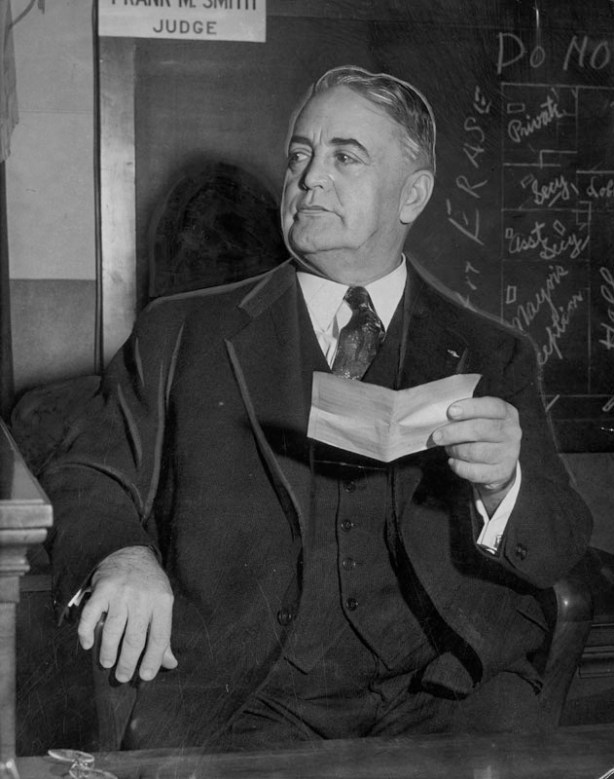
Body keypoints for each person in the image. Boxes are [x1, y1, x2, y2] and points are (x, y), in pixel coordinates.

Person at [41, 65, 592, 751]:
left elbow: (562, 537)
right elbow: (84, 473)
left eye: (345, 157)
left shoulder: (492, 351)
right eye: (299, 155)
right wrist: (121, 554)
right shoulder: (179, 333)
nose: (309, 178)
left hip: (444, 694)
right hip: (244, 699)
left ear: (412, 194)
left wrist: (504, 484)